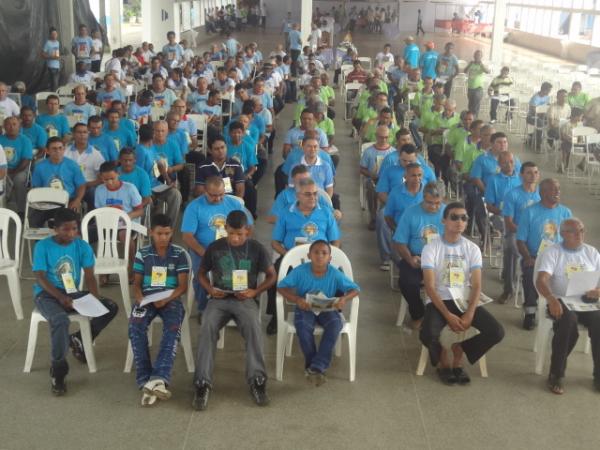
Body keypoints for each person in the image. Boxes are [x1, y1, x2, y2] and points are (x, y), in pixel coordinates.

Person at [193, 210, 277, 410]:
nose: (235, 238)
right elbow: (201, 274)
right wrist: (210, 289)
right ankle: (202, 383)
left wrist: (254, 291)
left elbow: (272, 276)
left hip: (244, 300)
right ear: (225, 229)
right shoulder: (214, 247)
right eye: (231, 233)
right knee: (207, 326)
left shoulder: (257, 248)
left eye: (240, 234)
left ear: (247, 231)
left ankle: (257, 380)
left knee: (253, 327)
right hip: (219, 299)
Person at [32, 207, 118, 395]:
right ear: (55, 229)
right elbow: (40, 277)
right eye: (66, 229)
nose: (71, 234)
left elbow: (89, 276)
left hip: (71, 292)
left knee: (109, 307)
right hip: (46, 294)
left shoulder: (82, 246)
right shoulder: (43, 246)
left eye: (74, 229)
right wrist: (60, 297)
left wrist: (94, 298)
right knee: (60, 320)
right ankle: (58, 370)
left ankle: (77, 339)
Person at [420, 202, 505, 385]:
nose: (459, 221)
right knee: (428, 334)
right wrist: (447, 315)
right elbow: (429, 286)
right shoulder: (431, 248)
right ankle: (444, 360)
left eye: (464, 218)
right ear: (444, 220)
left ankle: (460, 352)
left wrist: (470, 313)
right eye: (454, 217)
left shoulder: (472, 248)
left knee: (496, 331)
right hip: (440, 300)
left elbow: (476, 285)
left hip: (463, 300)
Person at [278, 240, 360, 385]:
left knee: (335, 325)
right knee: (302, 327)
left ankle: (315, 367)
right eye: (316, 252)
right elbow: (281, 287)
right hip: (306, 306)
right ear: (309, 255)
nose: (320, 256)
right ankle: (315, 367)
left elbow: (355, 289)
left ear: (330, 258)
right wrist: (297, 299)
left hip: (327, 307)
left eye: (324, 253)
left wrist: (344, 299)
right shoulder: (300, 271)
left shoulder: (335, 274)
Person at [128, 213, 189, 406]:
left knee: (172, 329)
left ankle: (158, 378)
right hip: (147, 298)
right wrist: (140, 298)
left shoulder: (179, 254)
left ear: (172, 233)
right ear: (151, 233)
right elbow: (136, 283)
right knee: (135, 326)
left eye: (167, 233)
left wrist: (167, 298)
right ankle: (148, 378)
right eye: (159, 233)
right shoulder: (142, 254)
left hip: (170, 299)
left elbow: (182, 287)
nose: (163, 238)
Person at [267, 178, 341, 334]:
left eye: (315, 194)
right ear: (298, 196)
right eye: (308, 194)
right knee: (273, 275)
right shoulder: (286, 213)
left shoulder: (326, 212)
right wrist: (288, 256)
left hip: (321, 259)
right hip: (291, 259)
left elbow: (335, 241)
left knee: (339, 276)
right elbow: (275, 242)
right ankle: (275, 316)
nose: (313, 197)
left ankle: (334, 315)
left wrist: (328, 257)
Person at [535, 218, 600, 394]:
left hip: (585, 300)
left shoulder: (592, 252)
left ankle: (598, 374)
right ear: (563, 234)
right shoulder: (553, 252)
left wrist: (598, 291)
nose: (580, 234)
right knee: (568, 322)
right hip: (560, 299)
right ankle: (557, 373)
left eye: (582, 230)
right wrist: (550, 298)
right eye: (574, 231)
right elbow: (541, 280)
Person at [181, 176, 251, 313]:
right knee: (203, 276)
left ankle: (236, 308)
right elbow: (187, 236)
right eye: (213, 195)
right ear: (205, 191)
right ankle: (204, 309)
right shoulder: (194, 207)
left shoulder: (234, 204)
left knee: (244, 272)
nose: (218, 199)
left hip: (232, 249)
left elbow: (248, 227)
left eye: (221, 194)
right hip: (203, 250)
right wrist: (205, 254)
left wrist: (241, 244)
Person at [517, 179, 572, 330]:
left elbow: (570, 238)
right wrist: (528, 257)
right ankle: (530, 311)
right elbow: (520, 240)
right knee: (530, 274)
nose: (558, 192)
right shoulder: (530, 212)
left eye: (558, 188)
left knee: (575, 272)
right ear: (543, 192)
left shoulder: (565, 212)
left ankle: (566, 308)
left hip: (560, 258)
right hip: (536, 257)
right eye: (553, 189)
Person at [393, 182, 445, 325]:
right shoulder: (411, 212)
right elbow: (399, 241)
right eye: (429, 203)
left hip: (441, 259)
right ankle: (418, 314)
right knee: (407, 282)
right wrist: (409, 258)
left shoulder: (448, 214)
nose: (433, 207)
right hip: (416, 257)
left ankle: (444, 316)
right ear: (423, 197)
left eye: (437, 203)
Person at [500, 162, 540, 304]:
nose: (533, 176)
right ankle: (508, 289)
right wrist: (525, 233)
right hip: (516, 232)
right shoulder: (513, 194)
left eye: (535, 172)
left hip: (538, 235)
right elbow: (509, 223)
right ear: (521, 175)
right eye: (529, 172)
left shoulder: (542, 194)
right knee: (510, 247)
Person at [360, 126, 396, 229]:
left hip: (390, 181)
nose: (383, 139)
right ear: (376, 136)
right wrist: (371, 174)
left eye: (386, 137)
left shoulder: (393, 152)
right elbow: (362, 169)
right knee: (371, 189)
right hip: (374, 179)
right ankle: (373, 217)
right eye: (381, 137)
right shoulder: (369, 152)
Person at [65, 123, 105, 210]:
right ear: (73, 134)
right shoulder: (66, 151)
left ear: (88, 134)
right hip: (69, 186)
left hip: (89, 186)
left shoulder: (96, 154)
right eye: (79, 132)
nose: (82, 135)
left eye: (85, 132)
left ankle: (92, 221)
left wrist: (85, 184)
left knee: (93, 193)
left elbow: (102, 178)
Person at [0, 116, 33, 216]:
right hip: (2, 170)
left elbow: (26, 160)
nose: (11, 127)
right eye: (8, 124)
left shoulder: (25, 140)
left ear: (19, 126)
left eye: (14, 124)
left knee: (18, 181)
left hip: (20, 170)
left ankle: (21, 211)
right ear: (4, 127)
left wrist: (13, 172)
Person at [464, 50, 490, 118]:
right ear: (474, 55)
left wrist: (482, 65)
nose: (477, 56)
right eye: (476, 55)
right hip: (470, 87)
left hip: (478, 88)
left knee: (475, 105)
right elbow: (465, 71)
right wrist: (469, 64)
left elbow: (487, 71)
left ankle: (474, 120)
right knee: (470, 105)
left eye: (479, 55)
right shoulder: (471, 63)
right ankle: (470, 120)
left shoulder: (482, 65)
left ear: (481, 56)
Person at [42, 27, 61, 91]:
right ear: (50, 35)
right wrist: (51, 57)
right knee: (54, 83)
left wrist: (59, 57)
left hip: (57, 65)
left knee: (56, 83)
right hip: (51, 66)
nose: (54, 35)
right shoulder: (48, 43)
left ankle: (54, 96)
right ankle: (54, 96)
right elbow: (42, 54)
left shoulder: (57, 42)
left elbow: (57, 53)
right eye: (53, 34)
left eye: (55, 34)